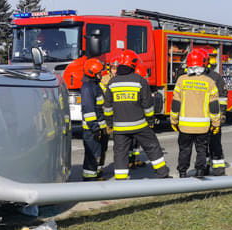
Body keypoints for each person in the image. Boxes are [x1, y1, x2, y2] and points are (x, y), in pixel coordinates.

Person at [103, 49, 169, 180]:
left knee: (120, 153)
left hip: (120, 128)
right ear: (133, 64)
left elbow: (107, 107)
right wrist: (150, 121)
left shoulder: (112, 83)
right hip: (139, 125)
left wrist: (109, 124)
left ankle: (121, 178)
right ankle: (162, 173)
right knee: (152, 146)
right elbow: (148, 105)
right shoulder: (140, 81)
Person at [171, 50, 221, 178]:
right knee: (201, 150)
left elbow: (176, 103)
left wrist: (174, 121)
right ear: (204, 64)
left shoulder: (181, 80)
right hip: (203, 126)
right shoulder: (209, 82)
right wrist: (216, 124)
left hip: (184, 125)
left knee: (184, 150)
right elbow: (214, 107)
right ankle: (199, 172)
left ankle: (182, 173)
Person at [80, 58, 109, 181]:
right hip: (91, 129)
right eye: (99, 73)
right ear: (92, 72)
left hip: (99, 127)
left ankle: (96, 173)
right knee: (92, 154)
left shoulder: (94, 85)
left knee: (99, 151)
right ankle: (90, 178)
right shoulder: (88, 88)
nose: (100, 75)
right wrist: (95, 128)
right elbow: (89, 110)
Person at [204, 48, 228, 175]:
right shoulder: (216, 77)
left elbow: (223, 97)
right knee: (214, 143)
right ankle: (217, 169)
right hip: (212, 117)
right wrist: (222, 113)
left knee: (205, 145)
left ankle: (205, 168)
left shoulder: (200, 77)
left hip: (205, 117)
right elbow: (223, 97)